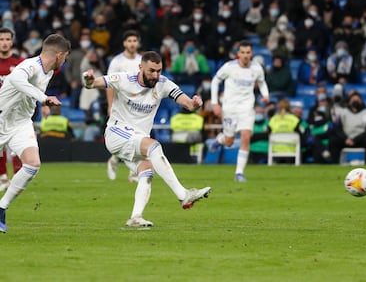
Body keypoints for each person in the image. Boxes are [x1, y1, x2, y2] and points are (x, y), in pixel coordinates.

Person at [83, 51, 211, 228]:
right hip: (116, 133)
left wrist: (194, 104)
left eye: (159, 70)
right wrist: (89, 80)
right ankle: (183, 195)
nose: (155, 75)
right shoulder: (124, 78)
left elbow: (187, 103)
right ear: (140, 67)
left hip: (137, 138)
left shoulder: (163, 84)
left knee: (147, 172)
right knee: (154, 146)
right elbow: (94, 84)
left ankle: (135, 217)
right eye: (151, 71)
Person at [0, 33, 71, 233]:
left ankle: (1, 208)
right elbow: (16, 79)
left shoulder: (48, 72)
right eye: (65, 57)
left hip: (21, 123)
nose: (65, 61)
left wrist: (42, 103)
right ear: (58, 55)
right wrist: (43, 98)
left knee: (33, 164)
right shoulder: (30, 65)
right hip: (1, 119)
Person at [208, 40, 270, 182]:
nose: (245, 55)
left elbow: (261, 82)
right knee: (229, 141)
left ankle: (239, 173)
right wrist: (215, 103)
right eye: (242, 52)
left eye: (248, 52)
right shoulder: (229, 67)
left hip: (247, 107)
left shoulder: (256, 68)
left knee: (246, 136)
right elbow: (215, 81)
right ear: (238, 54)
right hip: (230, 108)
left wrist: (265, 95)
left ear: (252, 53)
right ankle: (220, 140)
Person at [105, 30, 142, 182]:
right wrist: (110, 105)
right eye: (129, 41)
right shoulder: (117, 62)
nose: (132, 43)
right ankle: (117, 161)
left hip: (139, 106)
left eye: (134, 40)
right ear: (124, 43)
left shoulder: (142, 60)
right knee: (126, 137)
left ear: (138, 43)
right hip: (121, 106)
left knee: (139, 136)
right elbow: (109, 85)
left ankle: (130, 170)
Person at [0, 27, 25, 192]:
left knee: (17, 145)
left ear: (12, 41)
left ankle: (17, 176)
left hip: (16, 111)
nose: (4, 43)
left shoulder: (20, 63)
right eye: (1, 39)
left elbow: (33, 83)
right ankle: (2, 177)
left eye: (7, 39)